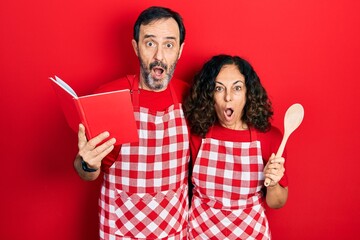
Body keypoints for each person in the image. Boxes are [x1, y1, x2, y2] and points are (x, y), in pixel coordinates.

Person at [73, 6, 190, 239]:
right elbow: (86, 171)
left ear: (179, 50)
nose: (159, 55)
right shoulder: (108, 96)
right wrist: (87, 163)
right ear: (136, 47)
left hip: (173, 230)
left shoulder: (191, 97)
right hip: (121, 229)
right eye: (150, 43)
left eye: (168, 44)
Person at [183, 54, 288, 239]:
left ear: (248, 93)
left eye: (237, 88)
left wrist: (272, 185)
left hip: (251, 234)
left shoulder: (270, 137)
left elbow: (277, 202)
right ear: (209, 95)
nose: (228, 97)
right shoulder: (195, 134)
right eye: (219, 88)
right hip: (201, 234)